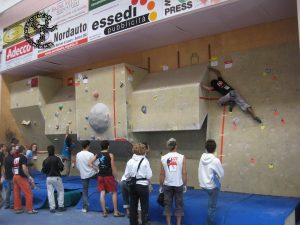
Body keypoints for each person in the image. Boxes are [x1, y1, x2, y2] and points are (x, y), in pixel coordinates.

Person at [88, 140, 124, 217]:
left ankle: (104, 211)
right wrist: (117, 178)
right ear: (108, 146)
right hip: (108, 176)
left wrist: (97, 168)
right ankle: (115, 211)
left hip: (100, 176)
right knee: (114, 192)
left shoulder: (98, 154)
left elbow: (89, 163)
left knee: (102, 192)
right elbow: (113, 167)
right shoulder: (110, 155)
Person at [160, 138, 187, 225]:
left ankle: (168, 224)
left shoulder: (163, 158)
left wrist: (161, 186)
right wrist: (185, 184)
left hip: (167, 184)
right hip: (178, 184)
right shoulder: (182, 157)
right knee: (179, 205)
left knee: (167, 205)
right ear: (176, 146)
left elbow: (162, 174)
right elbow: (184, 172)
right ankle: (178, 224)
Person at [124, 143, 152, 225]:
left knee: (133, 206)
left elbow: (126, 175)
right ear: (144, 151)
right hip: (142, 186)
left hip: (133, 186)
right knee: (144, 207)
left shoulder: (130, 161)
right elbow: (149, 175)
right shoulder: (145, 161)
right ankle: (144, 222)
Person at [198, 139, 224, 225]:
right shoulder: (215, 160)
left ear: (205, 148)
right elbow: (221, 174)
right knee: (212, 207)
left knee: (211, 197)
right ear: (215, 149)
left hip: (203, 184)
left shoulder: (202, 157)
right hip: (211, 187)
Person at [13, 145, 38, 214]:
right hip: (21, 177)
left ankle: (17, 208)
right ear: (23, 150)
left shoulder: (15, 157)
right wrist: (29, 176)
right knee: (28, 193)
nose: (26, 150)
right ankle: (30, 209)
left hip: (15, 176)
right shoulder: (23, 157)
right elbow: (24, 168)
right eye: (25, 149)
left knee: (17, 193)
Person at [76, 140, 98, 213]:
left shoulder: (78, 155)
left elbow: (78, 165)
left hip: (84, 175)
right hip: (93, 173)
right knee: (102, 186)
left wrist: (82, 171)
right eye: (89, 145)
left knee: (85, 191)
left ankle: (85, 207)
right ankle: (104, 203)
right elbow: (96, 164)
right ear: (88, 145)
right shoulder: (91, 154)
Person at [42, 145, 65, 213]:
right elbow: (61, 168)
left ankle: (52, 208)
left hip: (48, 178)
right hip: (57, 177)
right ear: (54, 150)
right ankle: (60, 206)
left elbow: (43, 171)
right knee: (60, 191)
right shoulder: (57, 159)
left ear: (47, 151)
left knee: (50, 192)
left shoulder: (45, 160)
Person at [2, 144, 15, 209]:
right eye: (13, 149)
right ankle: (12, 205)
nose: (14, 150)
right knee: (13, 191)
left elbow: (4, 168)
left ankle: (7, 204)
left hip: (8, 176)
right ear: (10, 150)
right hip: (12, 177)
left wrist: (4, 176)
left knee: (8, 190)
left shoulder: (6, 158)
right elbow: (13, 169)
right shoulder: (12, 159)